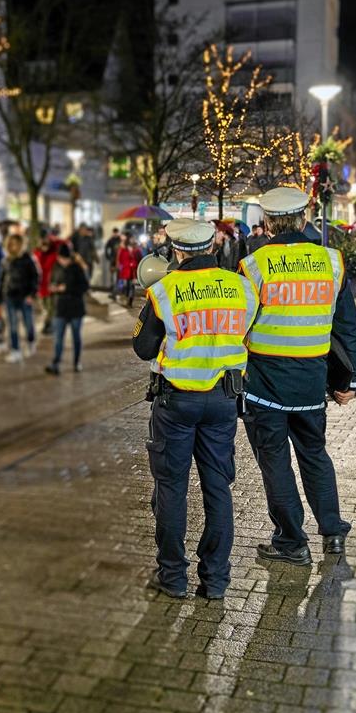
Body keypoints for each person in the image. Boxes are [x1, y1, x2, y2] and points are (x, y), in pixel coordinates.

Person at [237, 186, 356, 565]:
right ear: (305, 218)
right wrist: (348, 382)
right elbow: (347, 328)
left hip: (264, 384)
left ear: (270, 223)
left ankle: (292, 542)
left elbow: (239, 323)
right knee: (314, 455)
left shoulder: (254, 265)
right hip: (312, 381)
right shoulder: (332, 261)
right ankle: (333, 533)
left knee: (274, 461)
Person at [133, 219, 259, 599]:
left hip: (177, 402)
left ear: (177, 251)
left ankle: (173, 578)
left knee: (172, 488)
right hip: (223, 401)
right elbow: (246, 331)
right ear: (212, 247)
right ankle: (216, 579)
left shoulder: (164, 290)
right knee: (218, 488)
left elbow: (142, 348)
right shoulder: (243, 288)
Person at [44, 242, 90, 375]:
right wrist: (53, 288)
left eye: (65, 259)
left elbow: (84, 287)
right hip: (60, 307)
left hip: (76, 308)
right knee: (58, 338)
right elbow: (51, 282)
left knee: (76, 337)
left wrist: (66, 288)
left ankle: (76, 362)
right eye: (61, 259)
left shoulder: (77, 268)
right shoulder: (56, 267)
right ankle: (55, 364)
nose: (63, 261)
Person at [0, 232, 40, 363]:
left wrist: (31, 295)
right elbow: (1, 280)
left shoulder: (28, 260)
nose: (13, 247)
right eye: (11, 244)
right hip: (10, 297)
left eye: (15, 244)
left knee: (28, 324)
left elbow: (36, 278)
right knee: (13, 326)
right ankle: (15, 351)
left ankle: (31, 342)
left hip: (25, 297)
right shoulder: (5, 261)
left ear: (21, 245)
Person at [34, 232, 61, 335]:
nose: (44, 245)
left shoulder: (54, 254)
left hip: (51, 285)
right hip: (40, 286)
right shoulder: (36, 254)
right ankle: (48, 324)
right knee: (45, 308)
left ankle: (49, 325)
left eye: (46, 242)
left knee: (51, 307)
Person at [116, 235, 142, 306]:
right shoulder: (123, 251)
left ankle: (130, 299)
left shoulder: (136, 251)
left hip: (132, 272)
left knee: (131, 286)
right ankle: (127, 297)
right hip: (125, 271)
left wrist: (133, 264)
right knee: (125, 285)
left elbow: (139, 260)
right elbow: (120, 260)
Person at [104, 227, 122, 297]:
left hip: (119, 260)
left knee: (119, 275)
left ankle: (118, 289)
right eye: (114, 233)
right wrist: (108, 257)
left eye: (116, 233)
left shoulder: (120, 240)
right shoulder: (111, 240)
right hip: (112, 260)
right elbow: (106, 248)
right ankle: (113, 288)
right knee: (112, 276)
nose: (115, 234)